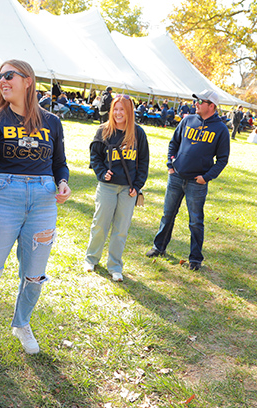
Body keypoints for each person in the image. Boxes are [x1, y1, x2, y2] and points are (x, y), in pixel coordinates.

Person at [0, 59, 71, 365]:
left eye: (9, 75)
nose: (2, 81)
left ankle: (22, 324)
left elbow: (59, 162)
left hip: (44, 200)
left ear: (28, 80)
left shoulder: (52, 122)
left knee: (35, 274)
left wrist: (63, 182)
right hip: (5, 196)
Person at [146, 89, 229, 271]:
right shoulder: (187, 120)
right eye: (196, 100)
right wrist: (170, 165)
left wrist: (206, 177)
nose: (196, 103)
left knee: (195, 221)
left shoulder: (221, 129)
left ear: (211, 106)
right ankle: (159, 247)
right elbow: (173, 143)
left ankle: (195, 258)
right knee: (168, 215)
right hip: (176, 177)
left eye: (201, 101)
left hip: (196, 183)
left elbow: (222, 160)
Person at [84, 95, 150, 281]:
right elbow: (95, 156)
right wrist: (101, 172)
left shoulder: (138, 133)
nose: (118, 113)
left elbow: (143, 162)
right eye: (116, 109)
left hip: (128, 190)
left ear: (129, 112)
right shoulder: (104, 131)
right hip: (107, 187)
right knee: (100, 224)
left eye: (122, 109)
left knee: (121, 229)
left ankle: (114, 266)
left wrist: (137, 186)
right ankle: (91, 258)